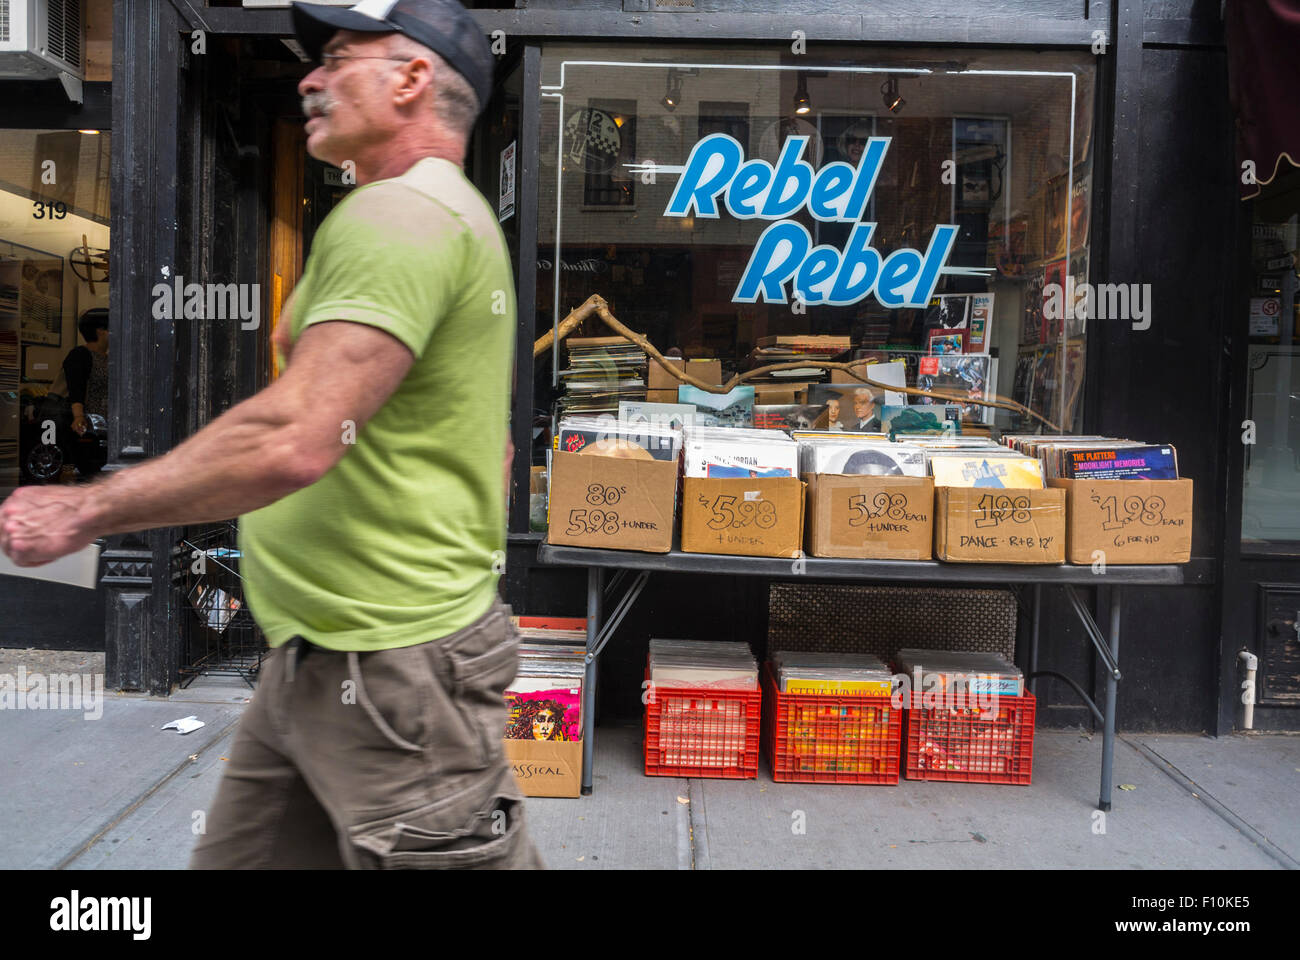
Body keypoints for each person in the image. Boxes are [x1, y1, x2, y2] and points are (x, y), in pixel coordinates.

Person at [0, 0, 541, 870]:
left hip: (393, 670)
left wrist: (88, 510)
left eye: (337, 56)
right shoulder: (452, 218)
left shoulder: (398, 218)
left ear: (410, 79)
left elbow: (294, 438)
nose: (311, 78)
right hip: (321, 660)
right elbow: (485, 441)